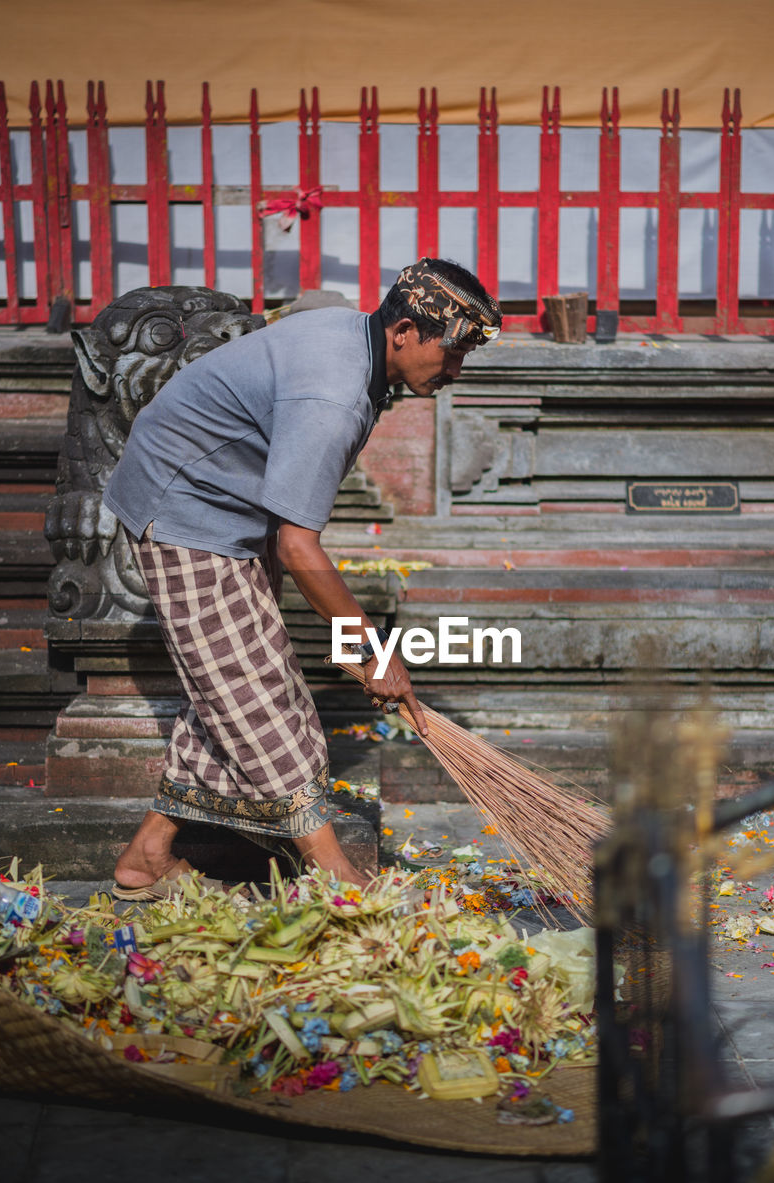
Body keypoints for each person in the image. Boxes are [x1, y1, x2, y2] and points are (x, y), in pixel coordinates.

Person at [102, 258, 502, 898]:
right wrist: (371, 653)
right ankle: (334, 876)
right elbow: (297, 544)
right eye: (450, 353)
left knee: (228, 691)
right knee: (263, 695)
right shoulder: (334, 397)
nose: (454, 372)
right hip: (181, 509)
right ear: (403, 331)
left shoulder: (355, 340)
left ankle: (146, 856)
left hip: (228, 508)